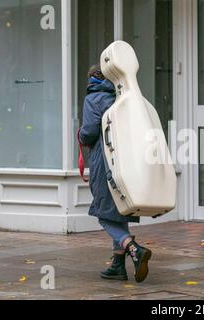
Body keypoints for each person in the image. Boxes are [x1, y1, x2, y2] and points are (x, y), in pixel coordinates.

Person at [79, 64, 152, 283]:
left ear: (92, 78)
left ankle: (133, 248)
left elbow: (89, 132)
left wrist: (81, 134)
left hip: (104, 163)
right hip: (126, 163)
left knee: (103, 213)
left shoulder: (93, 98)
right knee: (118, 210)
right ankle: (118, 266)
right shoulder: (123, 97)